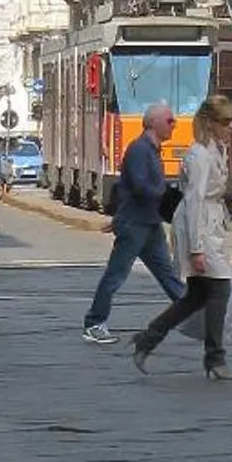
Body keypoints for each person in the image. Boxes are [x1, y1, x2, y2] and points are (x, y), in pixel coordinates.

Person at [132, 93, 232, 384]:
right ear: (211, 123)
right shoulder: (200, 155)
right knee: (220, 290)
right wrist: (196, 248)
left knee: (197, 295)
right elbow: (193, 202)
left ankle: (148, 338)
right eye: (226, 122)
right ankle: (215, 357)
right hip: (198, 226)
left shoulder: (215, 149)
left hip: (209, 223)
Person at [82, 101, 184, 342]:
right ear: (154, 123)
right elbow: (139, 186)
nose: (174, 125)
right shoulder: (139, 149)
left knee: (167, 274)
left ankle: (196, 313)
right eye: (170, 121)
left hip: (149, 222)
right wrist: (164, 192)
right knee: (116, 274)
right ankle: (94, 323)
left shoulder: (151, 149)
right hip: (135, 224)